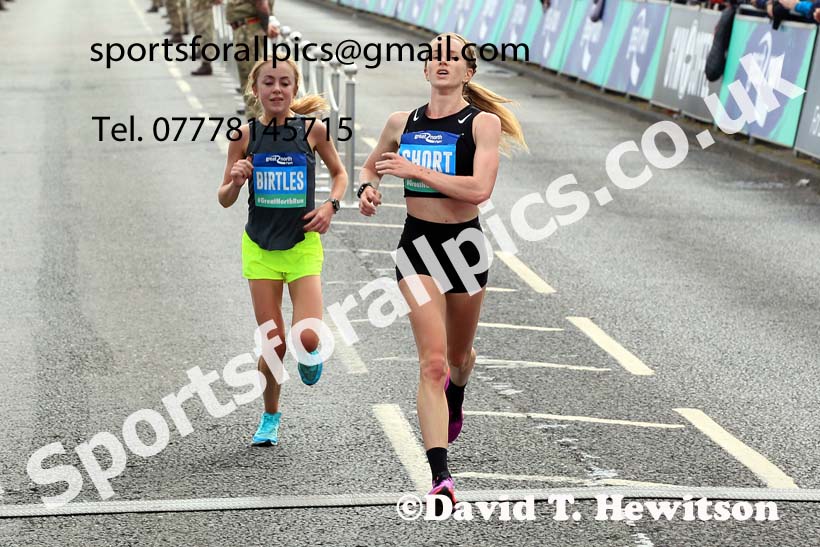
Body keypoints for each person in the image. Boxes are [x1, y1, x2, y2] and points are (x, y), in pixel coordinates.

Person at [357, 33, 527, 506]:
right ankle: (440, 474)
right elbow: (372, 168)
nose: (442, 62)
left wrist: (417, 172)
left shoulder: (482, 124)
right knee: (431, 363)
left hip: (466, 248)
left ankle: (459, 389)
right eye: (434, 56)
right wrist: (368, 190)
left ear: (468, 72)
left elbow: (478, 190)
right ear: (426, 69)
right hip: (417, 248)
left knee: (458, 358)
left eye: (452, 57)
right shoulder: (401, 121)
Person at [218, 57, 348, 446]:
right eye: (269, 82)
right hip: (260, 247)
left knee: (307, 337)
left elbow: (340, 175)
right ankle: (270, 417)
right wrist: (237, 181)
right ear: (254, 90)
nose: (277, 89)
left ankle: (311, 356)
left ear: (294, 89)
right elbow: (224, 198)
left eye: (285, 83)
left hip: (302, 244)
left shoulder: (313, 130)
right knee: (273, 344)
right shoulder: (244, 136)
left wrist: (330, 206)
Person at [225, 0, 280, 117]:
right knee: (249, 75)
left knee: (251, 76)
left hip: (248, 31)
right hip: (246, 29)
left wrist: (267, 28)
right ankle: (253, 113)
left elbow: (261, 3)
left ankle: (255, 118)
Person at [191, 0, 220, 76]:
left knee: (206, 35)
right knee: (201, 34)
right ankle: (205, 60)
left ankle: (206, 63)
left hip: (204, 8)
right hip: (199, 8)